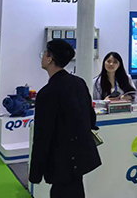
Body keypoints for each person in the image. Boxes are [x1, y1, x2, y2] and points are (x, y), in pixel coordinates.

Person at [29, 39, 101, 198]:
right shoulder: (79, 83)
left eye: (44, 54)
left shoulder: (47, 93)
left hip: (60, 161)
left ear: (50, 59)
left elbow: (42, 136)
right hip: (78, 158)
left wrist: (35, 173)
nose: (43, 57)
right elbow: (90, 118)